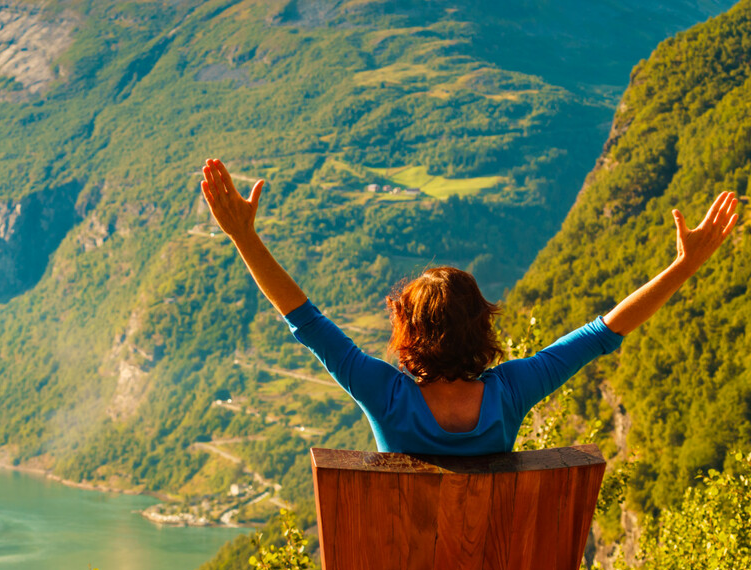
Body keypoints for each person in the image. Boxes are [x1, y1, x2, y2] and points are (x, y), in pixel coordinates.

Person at [199, 158, 742, 455]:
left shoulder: (386, 397)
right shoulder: (510, 394)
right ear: (483, 325)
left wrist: (244, 237)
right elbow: (604, 331)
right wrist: (685, 266)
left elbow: (306, 322)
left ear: (407, 332)